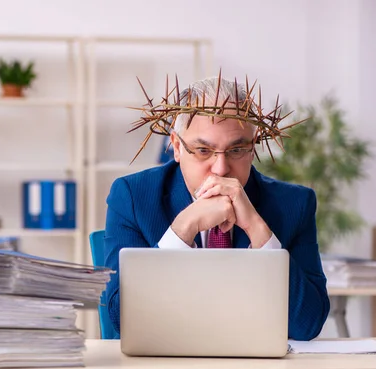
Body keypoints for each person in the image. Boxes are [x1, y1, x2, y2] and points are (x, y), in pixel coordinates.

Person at [103, 76, 330, 341]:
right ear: (176, 146)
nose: (221, 169)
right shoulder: (133, 197)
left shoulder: (295, 204)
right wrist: (182, 230)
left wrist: (258, 231)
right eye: (202, 150)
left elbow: (308, 325)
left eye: (236, 150)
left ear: (253, 146)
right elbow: (123, 320)